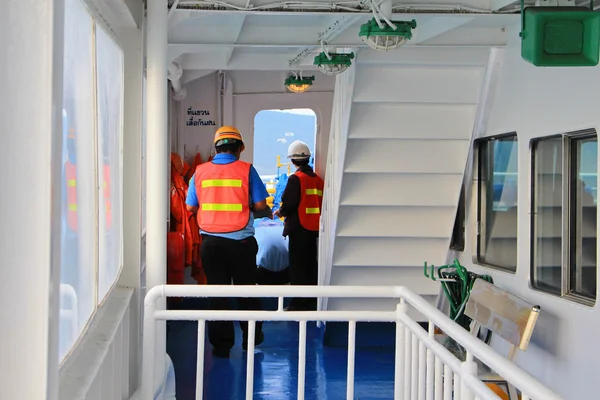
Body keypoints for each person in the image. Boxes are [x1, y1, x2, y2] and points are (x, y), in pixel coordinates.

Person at [186, 126, 270, 358]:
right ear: (240, 148)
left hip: (211, 244)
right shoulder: (247, 170)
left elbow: (191, 207)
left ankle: (222, 345)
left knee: (217, 292)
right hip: (241, 243)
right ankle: (251, 338)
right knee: (246, 291)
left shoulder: (200, 172)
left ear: (216, 148)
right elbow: (261, 206)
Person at [274, 140, 324, 311]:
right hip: (314, 229)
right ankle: (310, 301)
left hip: (299, 228)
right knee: (311, 265)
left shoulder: (296, 179)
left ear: (293, 161)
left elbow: (288, 204)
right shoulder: (318, 180)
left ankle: (296, 304)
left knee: (297, 267)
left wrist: (280, 212)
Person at [253, 207, 291, 285]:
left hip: (262, 273)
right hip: (288, 272)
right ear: (272, 216)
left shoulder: (252, 227)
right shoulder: (282, 225)